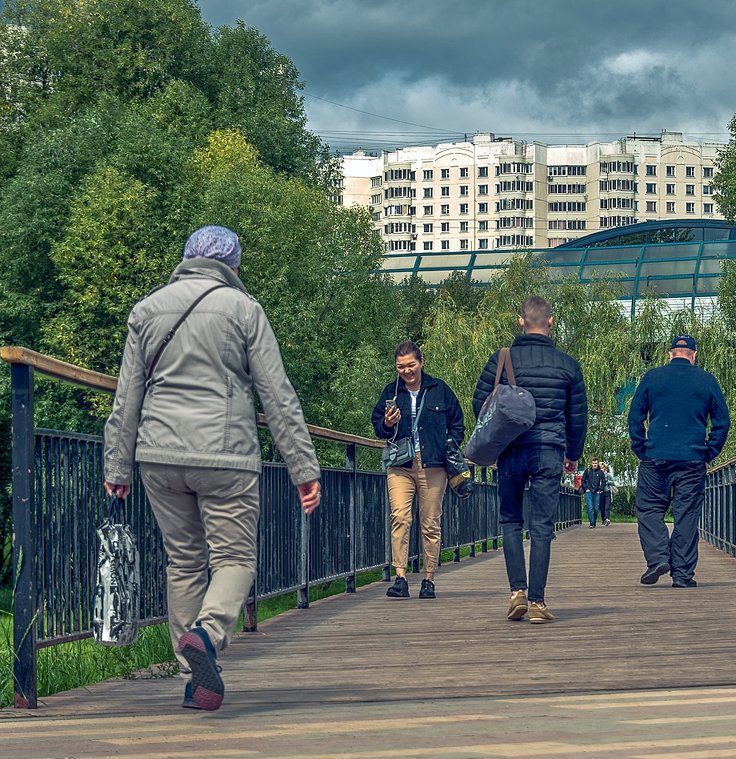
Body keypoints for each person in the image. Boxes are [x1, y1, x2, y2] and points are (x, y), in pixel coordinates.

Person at [103, 225, 322, 712]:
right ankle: (208, 632)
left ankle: (193, 680)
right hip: (225, 456)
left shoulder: (146, 310)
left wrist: (117, 465)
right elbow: (277, 396)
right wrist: (303, 468)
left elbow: (126, 399)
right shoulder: (245, 310)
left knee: (182, 561)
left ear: (186, 259)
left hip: (158, 457)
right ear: (233, 265)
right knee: (234, 559)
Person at [473, 296, 587, 624]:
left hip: (510, 449)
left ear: (520, 322)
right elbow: (577, 416)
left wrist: (498, 434)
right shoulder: (568, 365)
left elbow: (480, 403)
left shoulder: (502, 358)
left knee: (511, 521)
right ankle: (537, 602)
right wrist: (573, 455)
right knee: (541, 526)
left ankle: (516, 593)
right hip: (549, 450)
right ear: (550, 322)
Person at [628, 334, 729, 588]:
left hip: (655, 458)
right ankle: (683, 576)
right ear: (694, 355)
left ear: (670, 354)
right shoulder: (706, 380)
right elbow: (722, 422)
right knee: (686, 516)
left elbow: (635, 417)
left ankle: (658, 558)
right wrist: (709, 451)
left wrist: (642, 448)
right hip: (692, 460)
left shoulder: (652, 377)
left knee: (649, 510)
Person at [371, 341, 465, 599]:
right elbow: (377, 426)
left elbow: (458, 423)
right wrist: (387, 424)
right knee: (400, 517)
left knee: (430, 522)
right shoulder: (391, 391)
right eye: (401, 367)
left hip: (433, 464)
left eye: (411, 365)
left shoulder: (440, 390)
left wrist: (449, 447)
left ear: (421, 362)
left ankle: (429, 579)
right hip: (400, 464)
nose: (406, 371)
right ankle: (400, 578)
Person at [581, 458, 608, 528]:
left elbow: (604, 481)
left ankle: (594, 520)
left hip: (597, 492)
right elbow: (583, 480)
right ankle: (591, 523)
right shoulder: (587, 471)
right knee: (590, 508)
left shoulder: (600, 472)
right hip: (588, 492)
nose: (594, 464)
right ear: (591, 463)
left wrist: (600, 489)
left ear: (597, 463)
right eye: (593, 463)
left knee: (596, 509)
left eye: (596, 463)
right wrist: (586, 489)